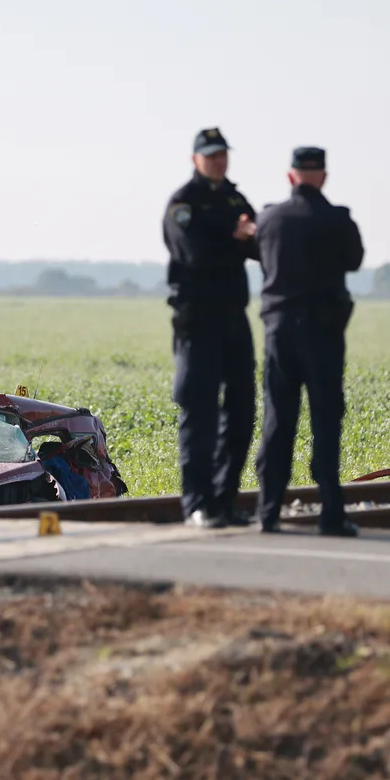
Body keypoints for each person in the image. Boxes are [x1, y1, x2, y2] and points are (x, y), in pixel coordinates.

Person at [252, 147, 363, 537]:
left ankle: (268, 513)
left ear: (290, 176)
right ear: (324, 177)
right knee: (326, 420)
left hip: (279, 332)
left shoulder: (270, 218)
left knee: (278, 420)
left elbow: (257, 250)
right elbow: (354, 260)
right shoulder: (338, 220)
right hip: (324, 334)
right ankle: (332, 513)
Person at [162, 127, 259, 528]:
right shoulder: (183, 203)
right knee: (199, 413)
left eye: (223, 154)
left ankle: (223, 501)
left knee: (241, 412)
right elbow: (194, 253)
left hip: (234, 320)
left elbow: (259, 242)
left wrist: (243, 238)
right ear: (195, 158)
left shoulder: (235, 198)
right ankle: (197, 504)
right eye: (212, 154)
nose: (219, 160)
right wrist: (233, 237)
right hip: (198, 320)